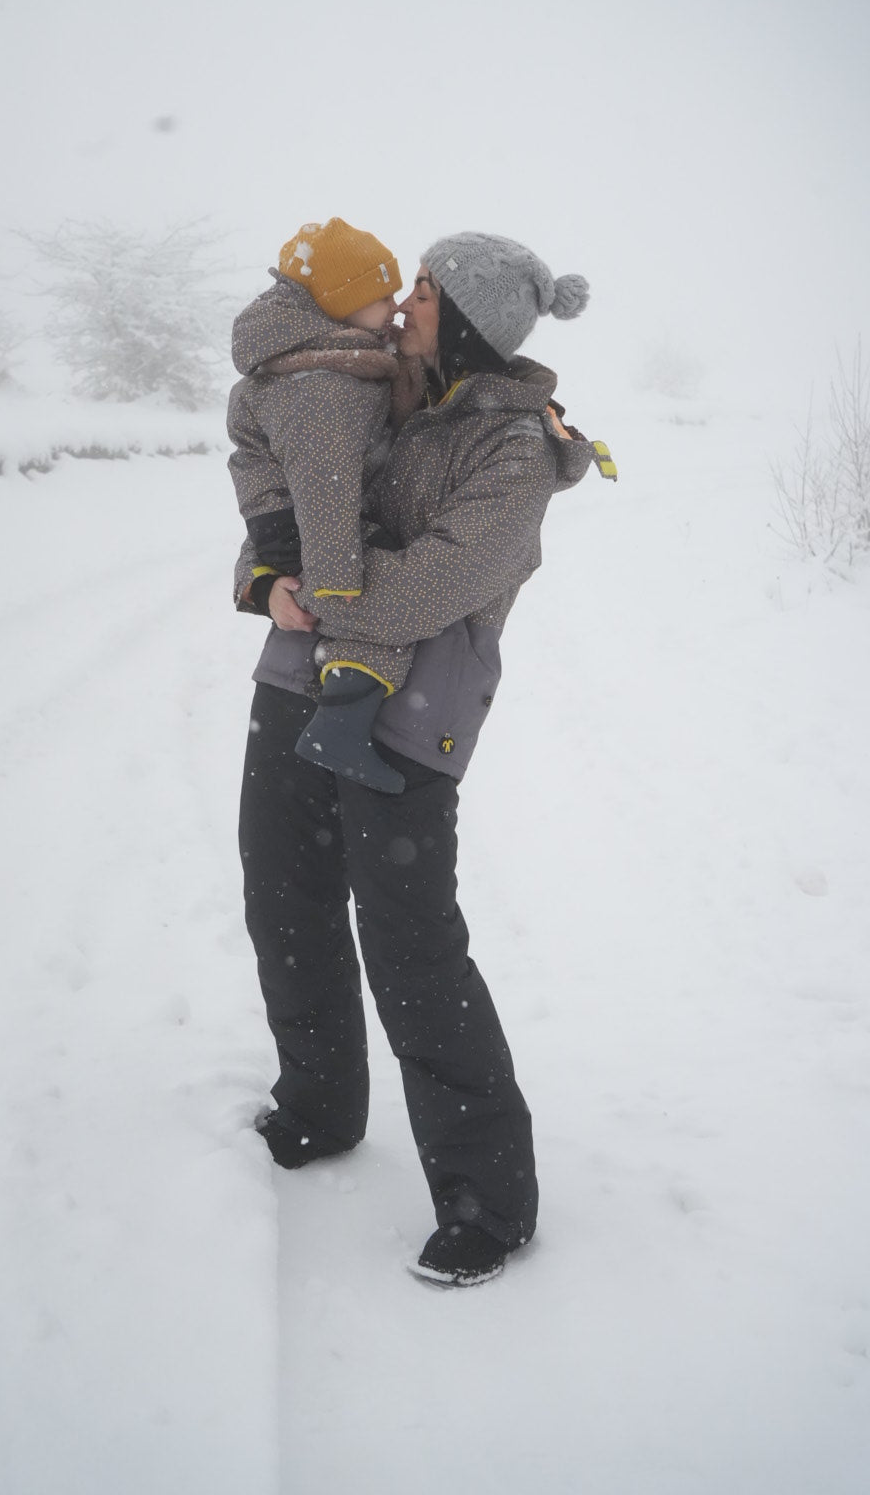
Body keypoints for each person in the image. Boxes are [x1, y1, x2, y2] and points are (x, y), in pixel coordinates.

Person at [234, 231, 615, 1286]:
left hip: (408, 710)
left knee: (411, 946)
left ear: (475, 315)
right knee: (284, 895)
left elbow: (434, 583)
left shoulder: (515, 448)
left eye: (427, 289)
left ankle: (489, 1201)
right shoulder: (375, 387)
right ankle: (319, 1103)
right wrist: (269, 580)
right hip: (293, 674)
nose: (404, 300)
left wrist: (331, 590)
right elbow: (296, 488)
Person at [228, 217, 413, 795]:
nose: (396, 304)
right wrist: (336, 589)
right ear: (341, 300)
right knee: (378, 593)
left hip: (285, 523)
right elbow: (326, 491)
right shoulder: (323, 384)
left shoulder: (312, 360)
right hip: (315, 540)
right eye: (381, 294)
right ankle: (341, 724)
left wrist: (264, 578)